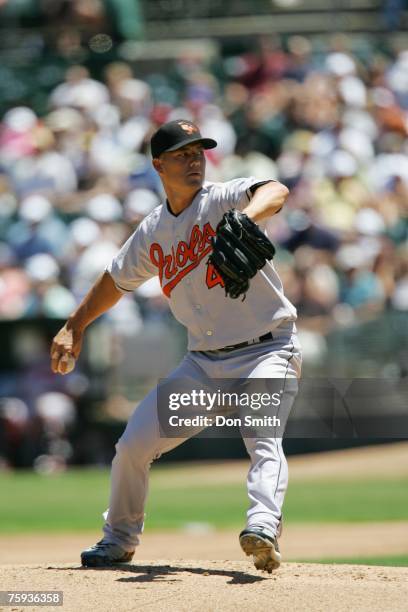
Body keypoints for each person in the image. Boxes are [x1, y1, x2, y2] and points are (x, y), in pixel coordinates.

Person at [50, 119, 302, 573]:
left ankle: (263, 526)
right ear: (158, 165)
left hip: (268, 350)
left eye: (198, 153)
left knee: (264, 439)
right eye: (183, 155)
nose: (194, 161)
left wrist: (247, 217)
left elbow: (276, 190)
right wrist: (75, 324)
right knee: (133, 445)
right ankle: (118, 540)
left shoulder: (223, 199)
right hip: (203, 366)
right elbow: (115, 280)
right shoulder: (152, 231)